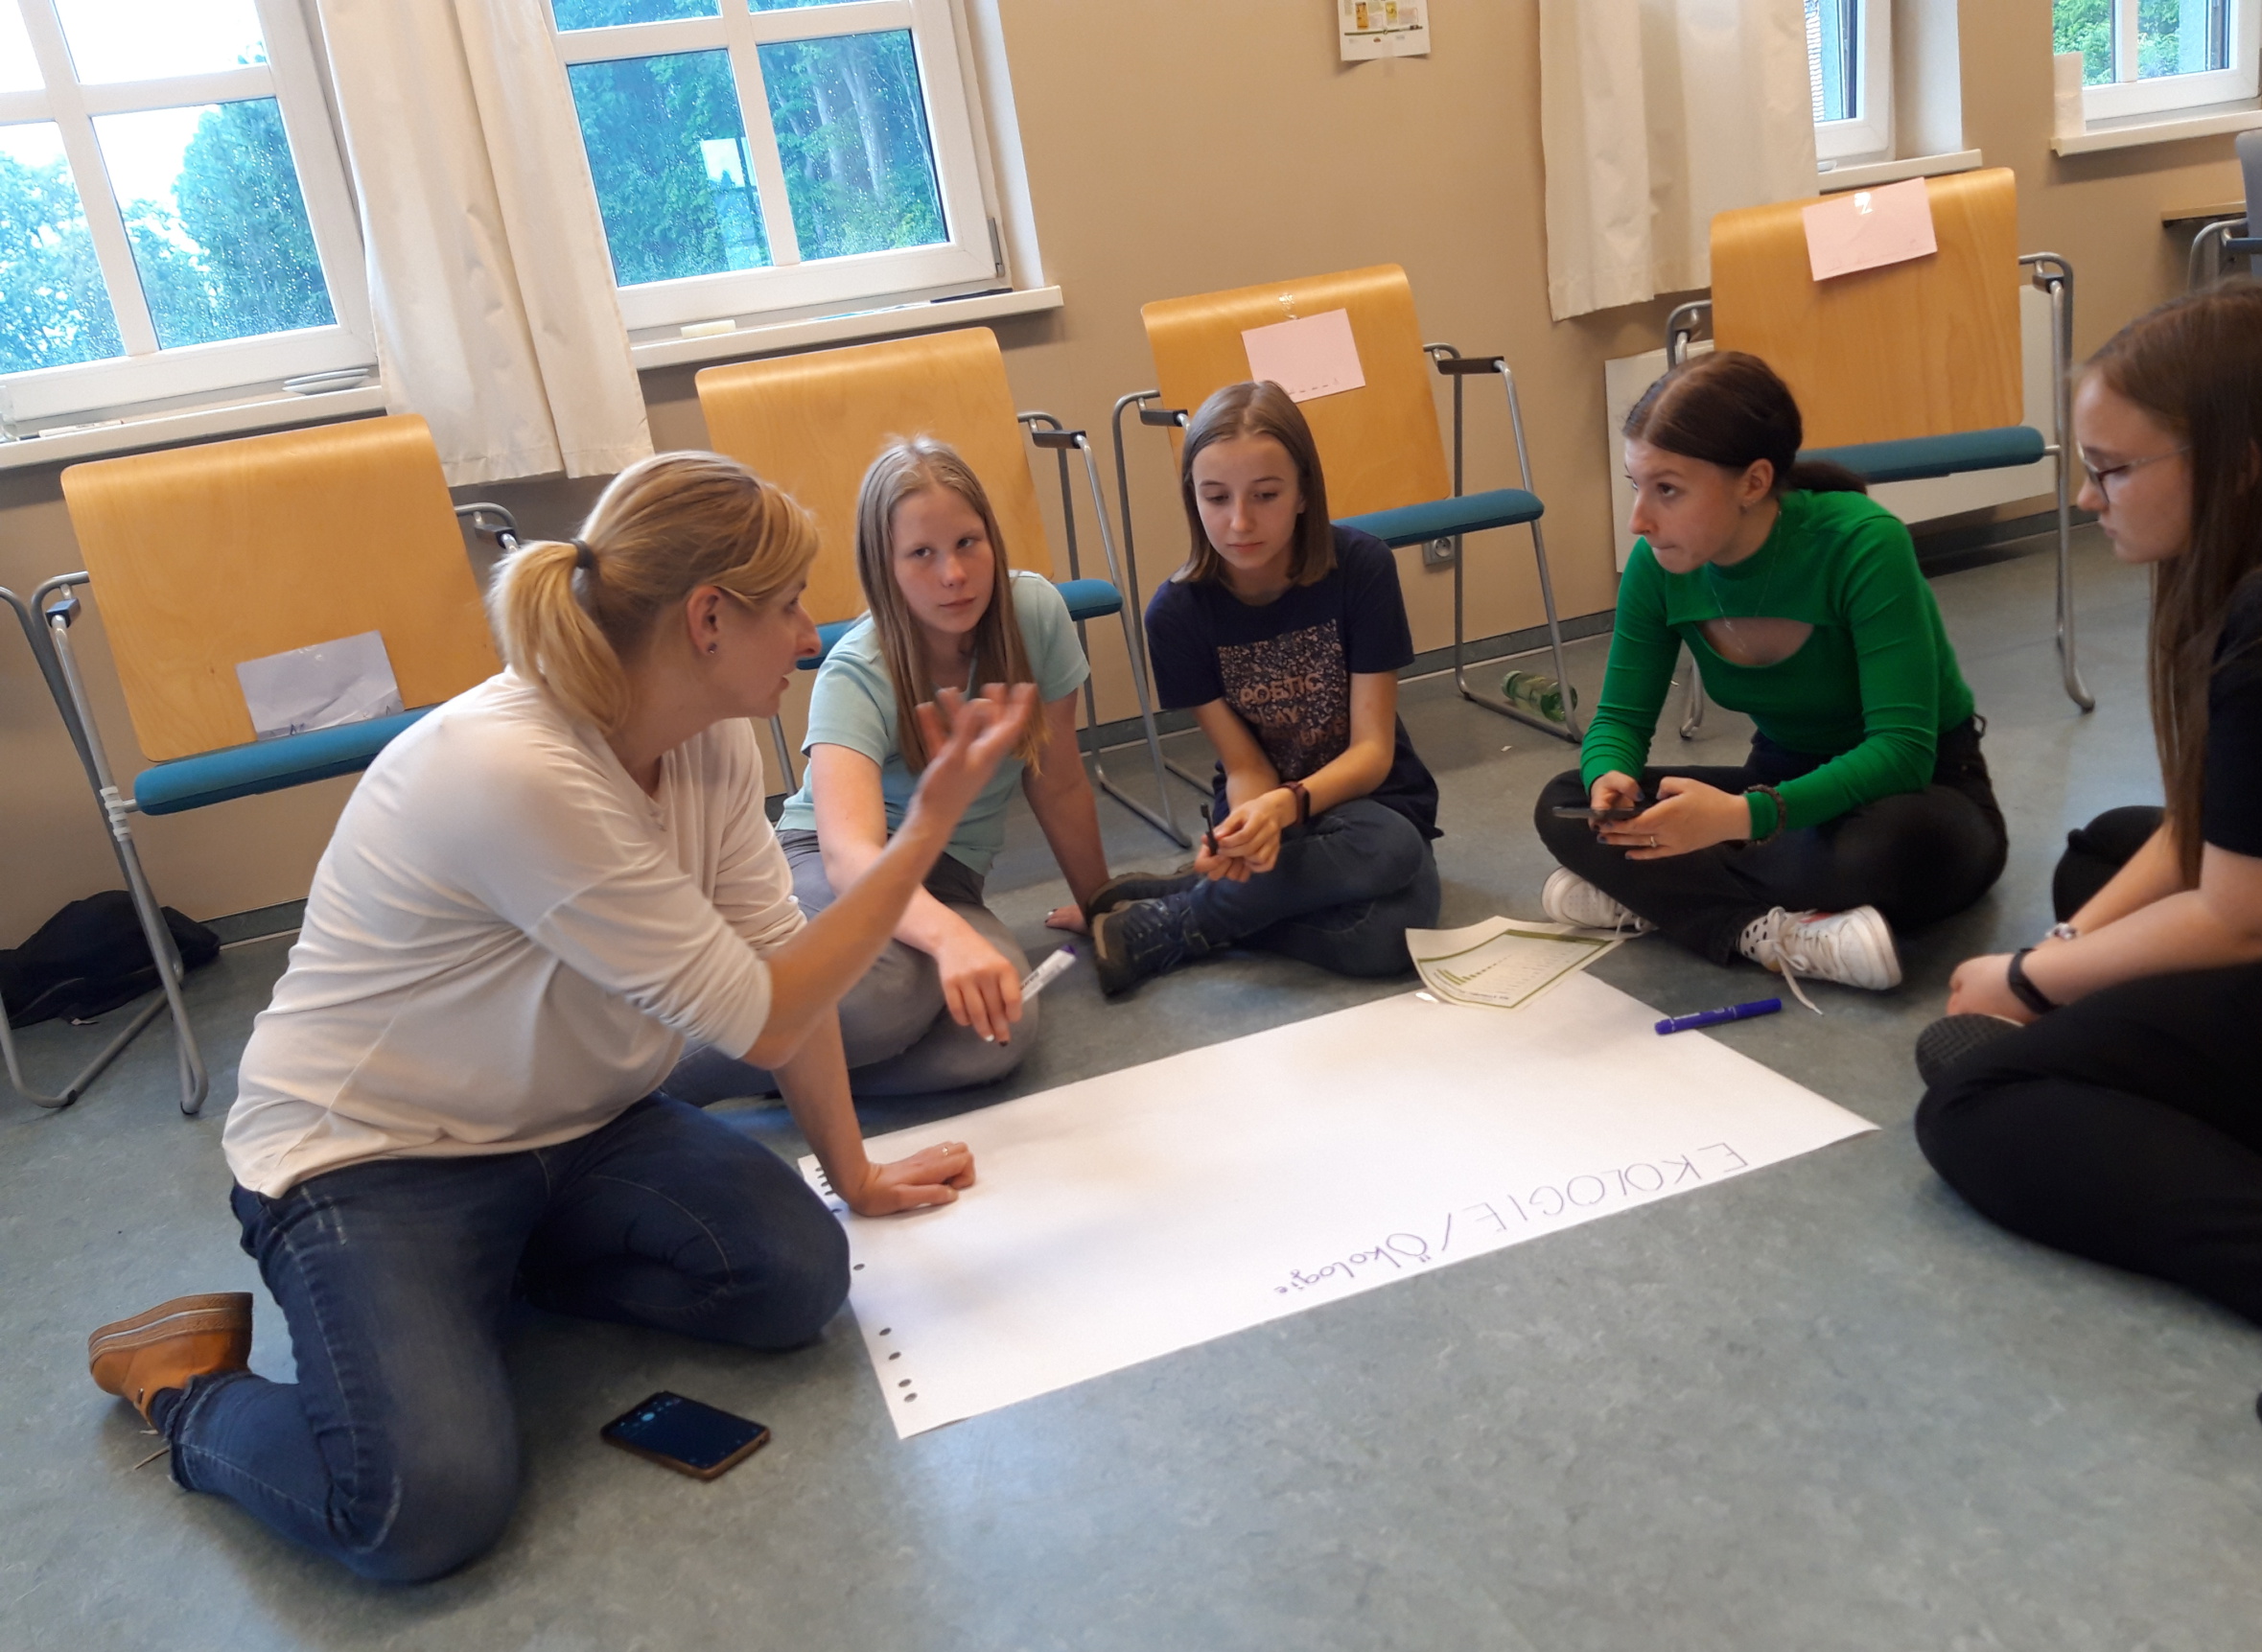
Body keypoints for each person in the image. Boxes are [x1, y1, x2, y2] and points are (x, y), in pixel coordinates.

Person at [83, 452, 1037, 1582]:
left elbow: (786, 967)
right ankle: (185, 1386)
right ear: (707, 619)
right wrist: (920, 833)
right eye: (786, 607)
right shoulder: (515, 768)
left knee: (794, 1278)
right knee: (419, 1510)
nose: (804, 636)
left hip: (580, 1125)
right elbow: (768, 1022)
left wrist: (855, 1175)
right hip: (370, 1158)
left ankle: (486, 1286)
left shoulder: (710, 737)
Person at [1915, 280, 2262, 1470]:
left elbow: (2256, 918)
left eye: (2111, 471)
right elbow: (2202, 825)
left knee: (1982, 1103)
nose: (2085, 497)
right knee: (2101, 854)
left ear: (2239, 463)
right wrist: (2056, 959)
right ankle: (2110, 1053)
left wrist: (2029, 988)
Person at [1531, 351, 2007, 1000]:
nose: (1639, 519)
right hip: (1780, 786)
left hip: (1921, 791)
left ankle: (1661, 898)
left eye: (1667, 489)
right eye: (1635, 485)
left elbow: (1901, 752)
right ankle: (1766, 931)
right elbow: (1619, 721)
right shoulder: (1656, 566)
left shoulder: (1863, 543)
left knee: (1880, 851)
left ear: (1753, 482)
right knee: (1563, 802)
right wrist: (1607, 777)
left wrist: (1742, 817)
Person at [666, 438, 1111, 1103]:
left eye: (967, 543)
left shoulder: (1036, 614)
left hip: (949, 877)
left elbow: (1059, 779)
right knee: (888, 994)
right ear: (886, 567)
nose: (953, 574)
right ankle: (655, 1080)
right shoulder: (856, 668)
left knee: (1001, 1022)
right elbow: (851, 855)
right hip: (829, 862)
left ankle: (798, 1072)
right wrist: (950, 939)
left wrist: (1101, 906)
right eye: (921, 554)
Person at [1095, 379, 1441, 993]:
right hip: (1261, 803)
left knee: (1392, 882)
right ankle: (1227, 898)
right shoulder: (1175, 615)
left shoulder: (1362, 568)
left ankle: (1186, 912)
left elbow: (1372, 753)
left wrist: (1288, 806)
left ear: (1304, 491)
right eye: (1215, 497)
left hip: (1366, 802)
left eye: (1266, 494)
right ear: (1192, 497)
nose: (1239, 521)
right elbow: (1245, 764)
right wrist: (1257, 824)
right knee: (1380, 920)